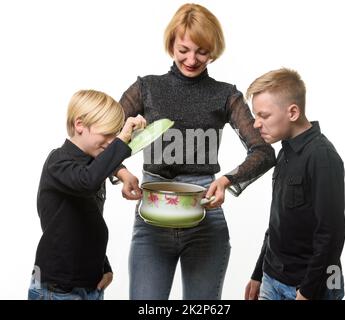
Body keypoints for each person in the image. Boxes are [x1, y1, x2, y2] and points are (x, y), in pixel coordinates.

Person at [113, 3, 275, 300]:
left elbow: (264, 152)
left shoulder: (226, 95)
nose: (192, 59)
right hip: (152, 215)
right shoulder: (146, 88)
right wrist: (121, 172)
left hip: (205, 214)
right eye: (184, 49)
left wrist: (226, 180)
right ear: (171, 43)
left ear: (214, 50)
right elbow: (101, 137)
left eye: (202, 51)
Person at [28, 89, 146, 300]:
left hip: (91, 284)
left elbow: (87, 225)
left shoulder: (94, 165)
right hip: (58, 288)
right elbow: (87, 180)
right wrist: (123, 139)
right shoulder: (58, 162)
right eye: (107, 134)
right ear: (79, 125)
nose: (111, 141)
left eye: (115, 134)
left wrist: (104, 266)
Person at [244, 68, 345, 300]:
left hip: (311, 287)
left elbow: (331, 234)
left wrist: (308, 292)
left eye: (264, 116)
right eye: (255, 115)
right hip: (272, 279)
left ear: (292, 112)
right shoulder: (285, 152)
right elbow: (277, 222)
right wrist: (258, 273)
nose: (257, 124)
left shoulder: (323, 157)